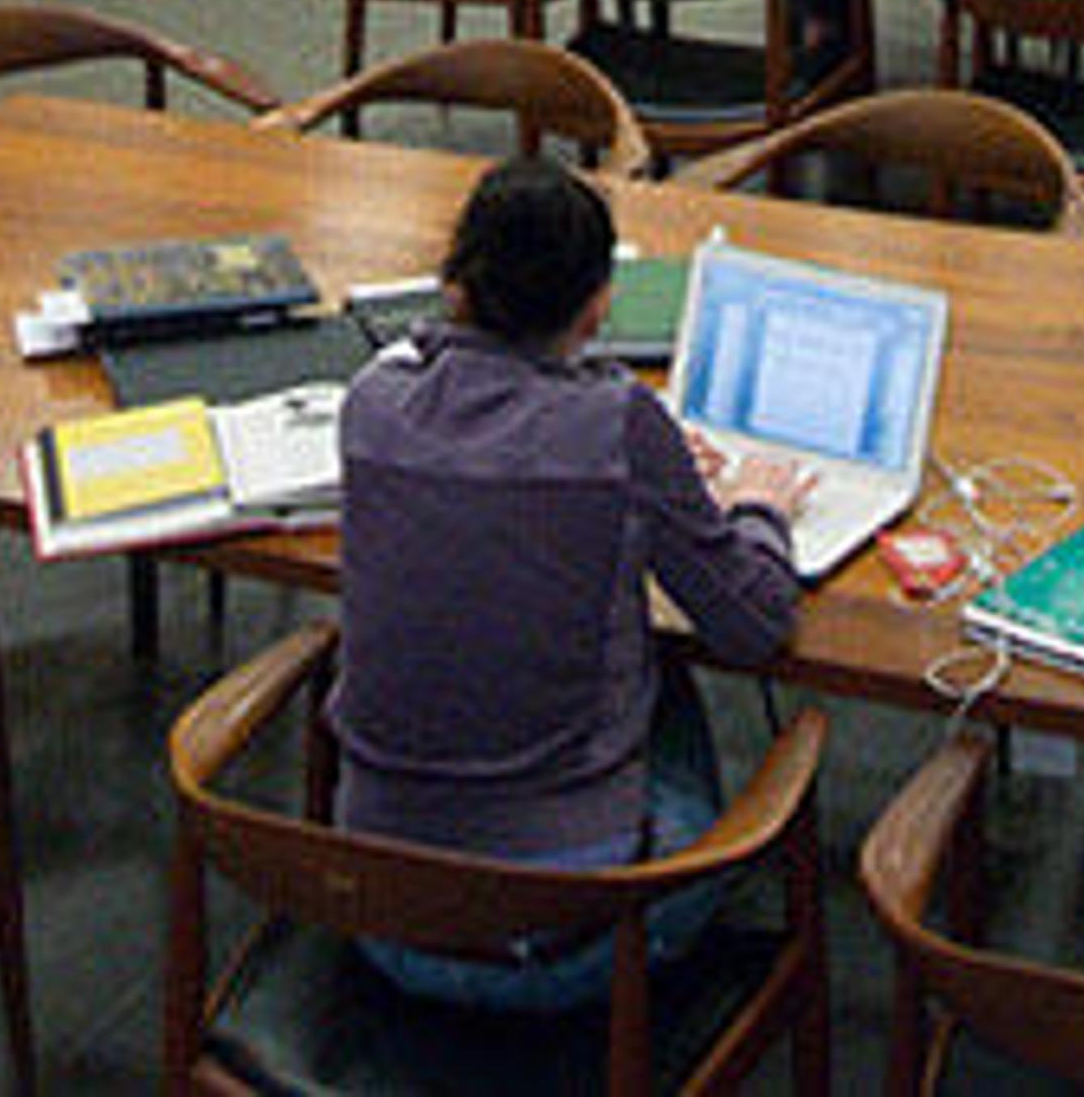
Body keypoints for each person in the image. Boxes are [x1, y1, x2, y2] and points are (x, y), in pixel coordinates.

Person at [332, 156, 810, 1010]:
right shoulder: (619, 423)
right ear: (599, 304)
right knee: (667, 670)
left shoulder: (370, 403)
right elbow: (754, 624)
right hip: (578, 939)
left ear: (455, 285)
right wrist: (755, 509)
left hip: (375, 909)